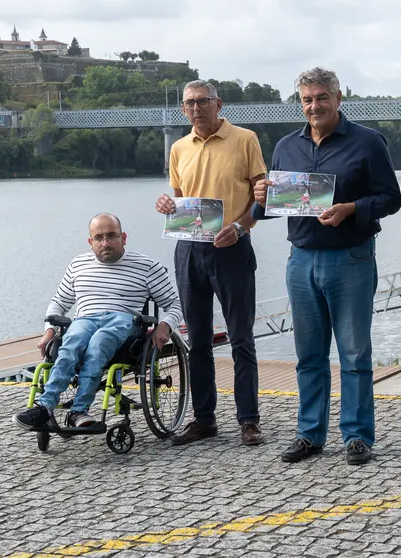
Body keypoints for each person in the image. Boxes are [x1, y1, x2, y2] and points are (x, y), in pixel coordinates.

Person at [252, 67, 401, 465]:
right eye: (307, 99)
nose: (314, 106)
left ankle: (357, 436)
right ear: (300, 102)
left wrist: (351, 209)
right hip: (300, 260)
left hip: (350, 257)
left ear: (338, 97)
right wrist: (260, 196)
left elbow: (392, 198)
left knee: (354, 354)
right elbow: (269, 208)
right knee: (309, 355)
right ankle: (310, 435)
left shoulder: (368, 142)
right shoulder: (286, 146)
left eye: (321, 97)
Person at [156, 79, 267, 447]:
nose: (196, 108)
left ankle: (248, 420)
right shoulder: (178, 148)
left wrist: (240, 226)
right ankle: (204, 419)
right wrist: (167, 206)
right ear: (183, 110)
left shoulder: (245, 139)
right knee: (197, 340)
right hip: (189, 249)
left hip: (232, 247)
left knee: (240, 338)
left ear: (219, 104)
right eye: (189, 104)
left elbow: (261, 198)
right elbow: (179, 200)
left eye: (203, 101)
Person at [13, 214, 183, 430]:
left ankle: (79, 411)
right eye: (99, 238)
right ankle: (44, 407)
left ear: (123, 237)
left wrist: (165, 326)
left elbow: (175, 305)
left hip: (123, 320)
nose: (106, 243)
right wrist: (49, 331)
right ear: (90, 242)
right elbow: (58, 302)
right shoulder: (78, 264)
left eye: (112, 236)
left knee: (99, 343)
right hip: (85, 319)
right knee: (73, 340)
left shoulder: (148, 267)